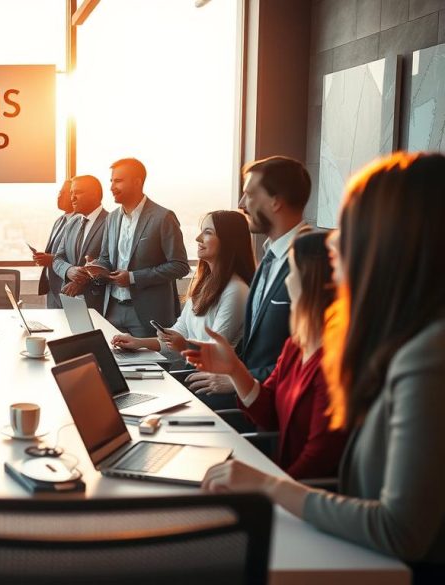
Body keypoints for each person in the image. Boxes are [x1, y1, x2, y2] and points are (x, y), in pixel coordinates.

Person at [190, 152, 445, 581]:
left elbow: (400, 530)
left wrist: (268, 486)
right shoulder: (400, 339)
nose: (334, 243)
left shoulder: (427, 356)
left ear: (394, 243)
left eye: (351, 227)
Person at [184, 231, 345, 479]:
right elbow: (267, 413)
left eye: (291, 272)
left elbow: (318, 460)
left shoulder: (335, 363)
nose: (286, 282)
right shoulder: (295, 346)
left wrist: (263, 485)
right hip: (279, 482)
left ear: (314, 281)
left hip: (299, 494)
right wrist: (235, 370)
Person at [186, 156, 310, 402]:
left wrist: (237, 379)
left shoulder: (310, 262)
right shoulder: (270, 257)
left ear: (276, 202)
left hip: (279, 406)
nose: (242, 204)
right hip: (253, 399)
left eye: (250, 194)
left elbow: (310, 356)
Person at [112, 210, 253, 362]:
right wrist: (138, 342)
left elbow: (217, 351)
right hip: (196, 370)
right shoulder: (205, 283)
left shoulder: (236, 290)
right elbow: (180, 331)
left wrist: (184, 346)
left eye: (208, 232)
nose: (198, 238)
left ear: (228, 240)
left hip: (209, 379)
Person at [83, 158, 190, 337]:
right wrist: (97, 267)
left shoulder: (163, 217)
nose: (111, 187)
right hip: (112, 309)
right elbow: (107, 258)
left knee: (150, 365)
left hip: (148, 315)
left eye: (118, 181)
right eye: (111, 181)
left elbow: (180, 266)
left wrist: (133, 278)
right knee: (112, 364)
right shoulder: (112, 218)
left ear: (137, 182)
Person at [54, 175, 108, 313]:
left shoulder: (111, 222)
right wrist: (69, 270)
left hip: (99, 304)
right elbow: (58, 259)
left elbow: (110, 262)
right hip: (70, 303)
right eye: (71, 193)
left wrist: (81, 281)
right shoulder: (72, 223)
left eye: (78, 192)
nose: (72, 198)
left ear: (95, 194)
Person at [33, 178, 75, 309]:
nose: (59, 196)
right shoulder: (60, 220)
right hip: (52, 287)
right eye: (59, 192)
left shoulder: (81, 222)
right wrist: (44, 258)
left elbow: (78, 257)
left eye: (64, 193)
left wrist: (51, 260)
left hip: (66, 289)